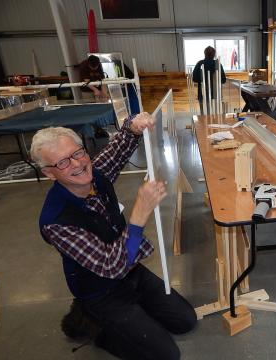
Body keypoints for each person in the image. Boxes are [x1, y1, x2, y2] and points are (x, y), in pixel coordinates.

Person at [30, 113, 196, 360]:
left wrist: (135, 124)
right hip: (101, 291)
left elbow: (121, 144)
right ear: (49, 174)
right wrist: (140, 212)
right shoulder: (56, 221)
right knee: (166, 355)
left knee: (185, 321)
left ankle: (131, 316)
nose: (76, 164)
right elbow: (112, 266)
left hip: (131, 273)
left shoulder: (93, 173)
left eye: (77, 153)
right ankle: (91, 322)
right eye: (62, 163)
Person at [192, 46, 226, 115]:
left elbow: (194, 79)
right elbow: (223, 80)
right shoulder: (217, 64)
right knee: (216, 115)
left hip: (202, 93)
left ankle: (204, 125)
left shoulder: (200, 63)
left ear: (205, 53)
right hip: (215, 94)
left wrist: (202, 79)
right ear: (214, 54)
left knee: (204, 115)